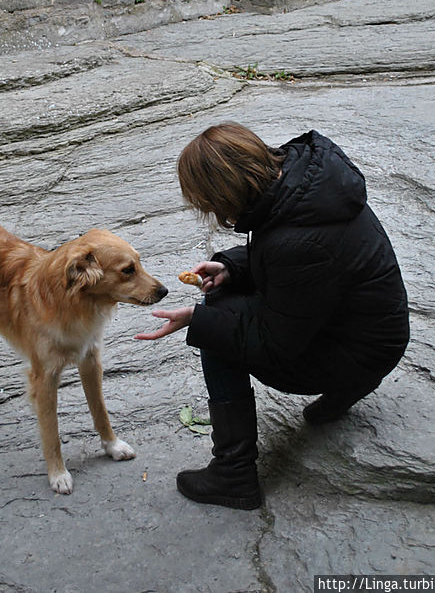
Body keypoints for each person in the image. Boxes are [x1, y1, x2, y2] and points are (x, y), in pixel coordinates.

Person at [136, 123, 410, 510]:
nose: (212, 212)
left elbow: (277, 340)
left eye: (209, 202)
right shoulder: (303, 185)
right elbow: (297, 266)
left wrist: (197, 322)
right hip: (371, 333)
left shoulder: (297, 240)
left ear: (225, 190)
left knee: (216, 322)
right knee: (226, 302)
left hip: (360, 351)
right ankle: (342, 396)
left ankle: (234, 475)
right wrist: (230, 267)